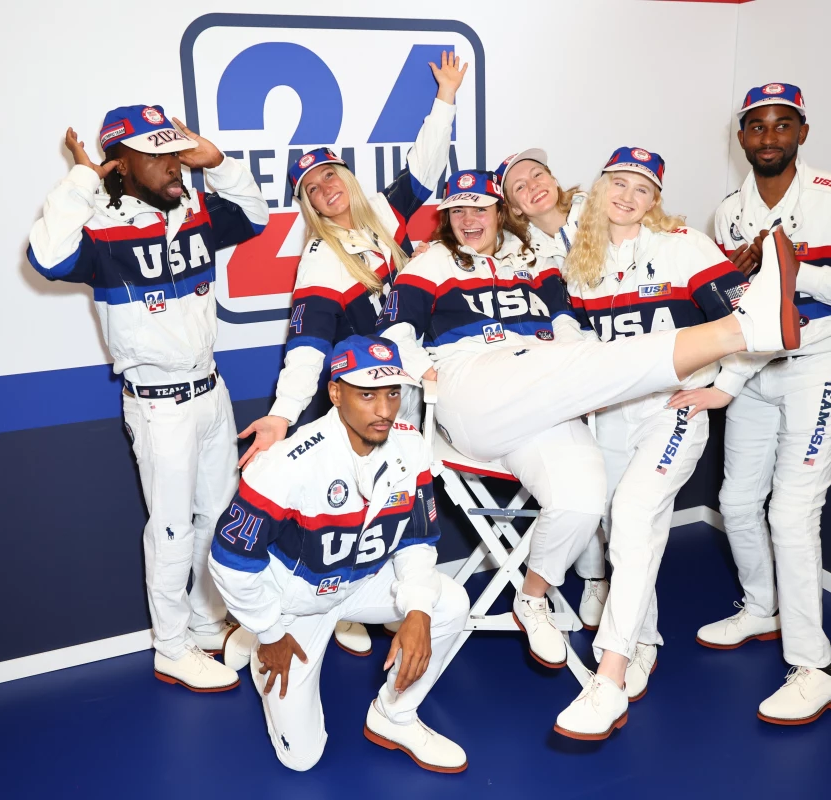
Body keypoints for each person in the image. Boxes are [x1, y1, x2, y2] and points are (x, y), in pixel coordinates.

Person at [378, 168, 802, 671]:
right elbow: (397, 331)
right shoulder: (430, 263)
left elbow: (566, 330)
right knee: (563, 366)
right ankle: (743, 330)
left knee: (583, 498)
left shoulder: (535, 263)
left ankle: (532, 596)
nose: (470, 218)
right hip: (471, 386)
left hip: (545, 391)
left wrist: (585, 370)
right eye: (458, 210)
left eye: (480, 207)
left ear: (500, 212)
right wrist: (425, 370)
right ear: (447, 217)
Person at [672, 83, 831, 725]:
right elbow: (739, 310)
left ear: (802, 132)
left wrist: (797, 269)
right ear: (740, 136)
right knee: (738, 502)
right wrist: (728, 377)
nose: (768, 137)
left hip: (818, 369)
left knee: (791, 514)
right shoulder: (729, 212)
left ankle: (817, 666)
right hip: (756, 370)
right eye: (756, 127)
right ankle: (761, 608)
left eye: (781, 125)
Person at [236, 52, 468, 658]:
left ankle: (373, 597)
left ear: (349, 180)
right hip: (351, 407)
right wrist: (284, 415)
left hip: (403, 389)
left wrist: (444, 100)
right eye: (313, 189)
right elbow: (307, 350)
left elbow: (424, 166)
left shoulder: (384, 221)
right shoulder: (320, 259)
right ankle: (322, 606)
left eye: (332, 176)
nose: (327, 189)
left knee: (395, 500)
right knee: (351, 507)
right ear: (309, 205)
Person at [27, 106, 267, 691]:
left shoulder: (195, 210)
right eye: (156, 153)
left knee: (218, 516)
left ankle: (209, 623)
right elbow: (46, 257)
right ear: (122, 163)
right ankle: (170, 646)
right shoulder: (101, 228)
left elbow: (256, 219)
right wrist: (85, 180)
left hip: (212, 389)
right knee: (171, 529)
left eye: (174, 150)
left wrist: (220, 163)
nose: (172, 164)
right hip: (159, 402)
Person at [551, 147, 749, 739]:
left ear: (656, 199)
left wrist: (728, 385)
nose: (628, 196)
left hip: (673, 409)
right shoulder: (582, 257)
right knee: (623, 525)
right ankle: (643, 639)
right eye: (619, 183)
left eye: (643, 188)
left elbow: (748, 314)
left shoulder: (684, 245)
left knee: (636, 512)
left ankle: (607, 677)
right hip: (612, 412)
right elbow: (577, 337)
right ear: (601, 186)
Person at [210, 335, 470, 773]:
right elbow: (229, 560)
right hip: (295, 603)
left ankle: (394, 716)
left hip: (358, 585)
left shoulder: (411, 445)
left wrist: (419, 611)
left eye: (392, 392)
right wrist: (270, 631)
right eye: (367, 394)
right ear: (335, 393)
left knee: (448, 603)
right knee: (302, 759)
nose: (385, 409)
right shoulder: (287, 463)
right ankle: (256, 641)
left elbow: (416, 540)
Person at [493, 149, 608, 628]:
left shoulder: (600, 211)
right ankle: (593, 574)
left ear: (554, 178)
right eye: (519, 185)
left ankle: (607, 582)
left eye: (537, 174)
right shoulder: (517, 251)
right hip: (572, 364)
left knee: (616, 482)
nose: (532, 185)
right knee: (588, 469)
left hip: (623, 352)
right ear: (514, 207)